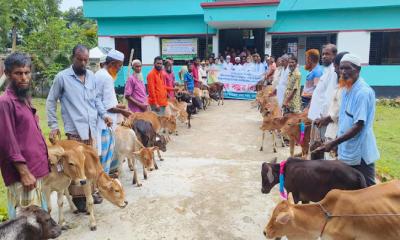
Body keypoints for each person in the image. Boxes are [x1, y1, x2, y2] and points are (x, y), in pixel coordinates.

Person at [47, 45, 112, 209]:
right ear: (73, 58)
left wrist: (104, 115)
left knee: (90, 164)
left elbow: (96, 99)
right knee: (75, 165)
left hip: (91, 129)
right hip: (75, 130)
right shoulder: (62, 77)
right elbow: (50, 101)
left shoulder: (91, 76)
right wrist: (53, 126)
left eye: (86, 60)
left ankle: (90, 193)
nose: (83, 63)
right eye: (80, 59)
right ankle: (78, 199)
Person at [314, 54, 380, 186]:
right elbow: (344, 119)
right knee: (349, 186)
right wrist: (338, 142)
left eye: (347, 69)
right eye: (341, 69)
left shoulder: (363, 93)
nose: (343, 72)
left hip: (361, 152)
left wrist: (333, 142)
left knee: (368, 190)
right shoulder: (345, 89)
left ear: (358, 70)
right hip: (347, 147)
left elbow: (358, 126)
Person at [0, 52, 49, 218]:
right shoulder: (5, 102)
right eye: (18, 73)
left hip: (35, 169)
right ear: (7, 74)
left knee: (38, 220)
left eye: (27, 73)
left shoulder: (24, 98)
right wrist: (24, 172)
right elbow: (7, 141)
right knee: (26, 224)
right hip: (23, 175)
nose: (24, 78)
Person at [95, 49, 129, 175]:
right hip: (105, 124)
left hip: (102, 121)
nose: (120, 69)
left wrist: (119, 106)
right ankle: (103, 183)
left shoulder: (99, 74)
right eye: (119, 66)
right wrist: (125, 113)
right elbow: (108, 107)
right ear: (112, 64)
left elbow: (104, 99)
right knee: (105, 158)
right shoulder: (106, 77)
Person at [315, 51, 349, 160]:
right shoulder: (340, 83)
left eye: (337, 67)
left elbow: (342, 113)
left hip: (339, 134)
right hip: (332, 132)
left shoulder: (351, 89)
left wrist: (327, 119)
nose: (335, 70)